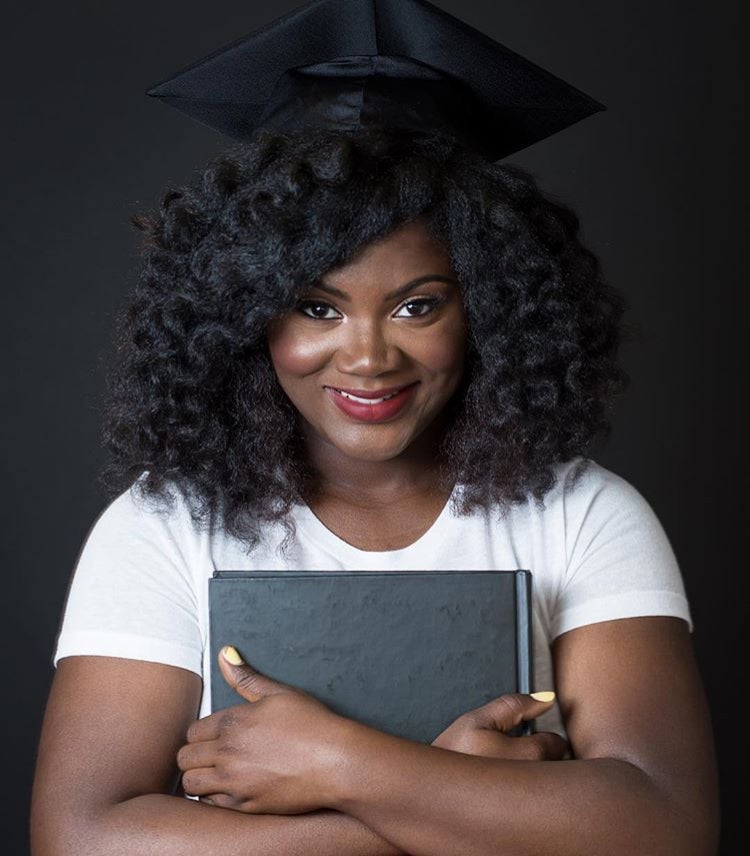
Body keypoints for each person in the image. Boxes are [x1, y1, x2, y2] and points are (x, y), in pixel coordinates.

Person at [31, 1, 719, 854]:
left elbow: (668, 828)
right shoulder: (167, 525)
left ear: (490, 309)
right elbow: (79, 836)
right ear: (246, 316)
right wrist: (459, 795)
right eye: (316, 306)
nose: (366, 357)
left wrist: (340, 762)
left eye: (417, 305)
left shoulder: (581, 514)